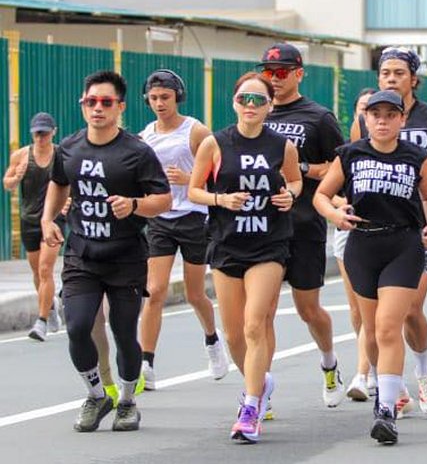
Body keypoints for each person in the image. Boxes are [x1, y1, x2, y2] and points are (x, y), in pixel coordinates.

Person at [41, 71, 172, 433]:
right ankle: (97, 395)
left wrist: (134, 205)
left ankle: (127, 402)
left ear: (120, 107)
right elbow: (59, 183)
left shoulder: (136, 152)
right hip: (82, 254)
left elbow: (163, 199)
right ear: (82, 105)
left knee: (124, 332)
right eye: (91, 102)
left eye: (106, 102)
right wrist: (48, 220)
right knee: (77, 327)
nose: (97, 108)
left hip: (125, 257)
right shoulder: (69, 147)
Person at [315, 90, 427, 444]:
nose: (383, 121)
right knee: (371, 331)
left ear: (402, 119)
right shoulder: (350, 155)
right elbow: (321, 195)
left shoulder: (416, 157)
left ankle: (386, 411)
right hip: (362, 245)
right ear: (366, 119)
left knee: (388, 327)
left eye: (390, 114)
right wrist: (335, 214)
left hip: (403, 244)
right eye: (376, 115)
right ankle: (389, 388)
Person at [351, 46, 427, 413]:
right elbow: (352, 163)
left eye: (399, 73)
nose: (391, 79)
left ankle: (424, 371)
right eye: (385, 73)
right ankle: (395, 388)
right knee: (381, 321)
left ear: (414, 79)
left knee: (412, 307)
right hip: (374, 230)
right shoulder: (368, 118)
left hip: (417, 228)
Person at [189, 72, 301, 443]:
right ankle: (261, 383)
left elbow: (295, 180)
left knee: (255, 325)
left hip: (269, 244)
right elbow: (194, 191)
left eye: (258, 100)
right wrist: (221, 199)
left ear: (270, 105)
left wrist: (289, 196)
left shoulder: (281, 145)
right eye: (244, 99)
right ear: (234, 103)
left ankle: (250, 408)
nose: (250, 106)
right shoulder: (215, 143)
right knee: (234, 333)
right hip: (227, 243)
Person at [259, 43, 346, 406]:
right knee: (261, 313)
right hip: (264, 228)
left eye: (281, 73)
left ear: (298, 74)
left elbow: (340, 166)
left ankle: (329, 362)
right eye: (268, 73)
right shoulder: (256, 113)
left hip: (305, 224)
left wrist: (301, 169)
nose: (274, 79)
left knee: (307, 309)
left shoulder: (318, 117)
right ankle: (259, 393)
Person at [137, 70, 228, 388]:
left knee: (194, 293)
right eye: (153, 98)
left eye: (165, 97)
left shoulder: (196, 131)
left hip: (194, 216)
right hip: (161, 218)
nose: (159, 103)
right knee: (154, 291)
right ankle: (146, 363)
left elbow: (222, 171)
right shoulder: (146, 135)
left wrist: (189, 179)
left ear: (178, 97)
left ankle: (212, 339)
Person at [4, 112, 65, 341]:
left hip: (53, 219)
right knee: (37, 272)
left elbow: (73, 183)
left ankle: (41, 321)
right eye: (37, 133)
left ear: (53, 132)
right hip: (29, 219)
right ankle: (50, 306)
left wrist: (69, 200)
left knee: (45, 269)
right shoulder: (21, 155)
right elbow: (7, 183)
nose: (41, 138)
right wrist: (16, 178)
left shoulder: (61, 155)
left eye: (45, 133)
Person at [338, 88, 377, 402]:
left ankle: (363, 374)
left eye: (374, 110)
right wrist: (340, 207)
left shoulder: (399, 152)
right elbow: (326, 193)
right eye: (363, 110)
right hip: (348, 231)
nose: (369, 116)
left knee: (377, 310)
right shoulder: (347, 153)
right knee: (357, 309)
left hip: (386, 235)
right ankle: (373, 363)